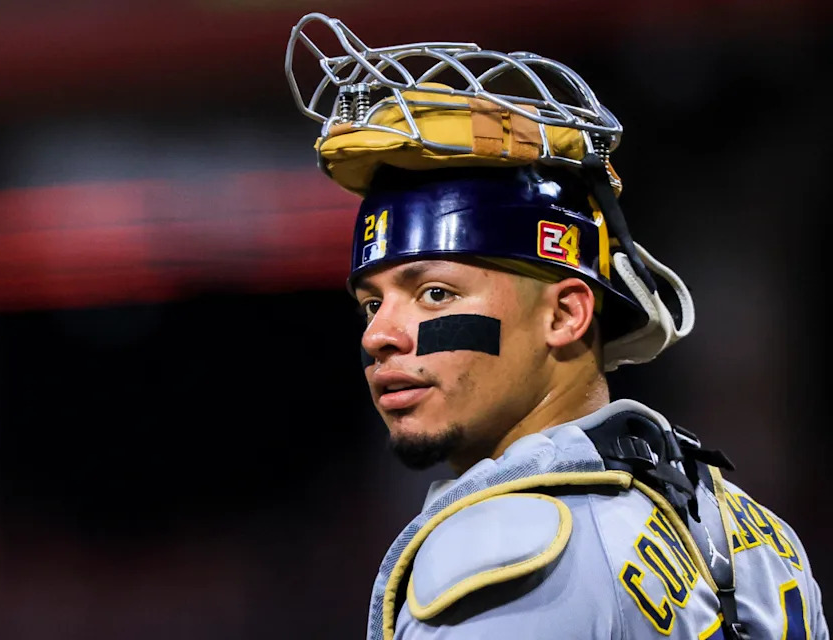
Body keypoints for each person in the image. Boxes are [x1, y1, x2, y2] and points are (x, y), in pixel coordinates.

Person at [286, 13, 829, 640]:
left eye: (435, 294)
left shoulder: (503, 555)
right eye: (371, 303)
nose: (380, 335)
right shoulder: (753, 532)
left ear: (566, 314)